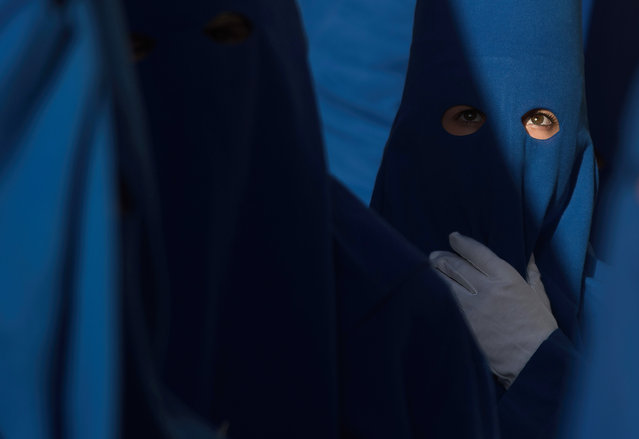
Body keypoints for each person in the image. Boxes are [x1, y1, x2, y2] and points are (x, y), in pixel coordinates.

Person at [122, 0, 498, 437]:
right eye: (136, 48)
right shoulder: (53, 261)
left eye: (225, 36)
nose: (182, 84)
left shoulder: (393, 309)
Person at [371, 0, 597, 437]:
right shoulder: (344, 293)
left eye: (540, 121)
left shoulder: (624, 317)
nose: (505, 154)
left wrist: (538, 363)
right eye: (468, 116)